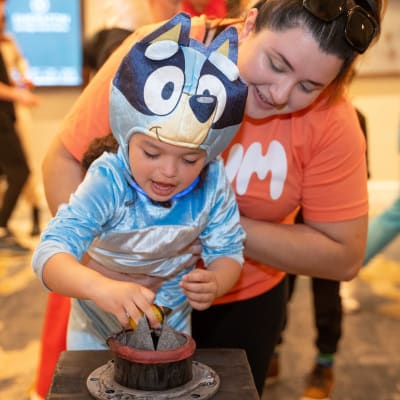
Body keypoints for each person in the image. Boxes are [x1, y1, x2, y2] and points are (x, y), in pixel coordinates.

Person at [36, 0, 383, 397]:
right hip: (116, 297)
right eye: (277, 63)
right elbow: (64, 160)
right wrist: (100, 266)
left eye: (309, 86)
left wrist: (197, 225)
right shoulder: (159, 56)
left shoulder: (329, 120)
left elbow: (343, 254)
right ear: (250, 22)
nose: (281, 94)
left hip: (242, 302)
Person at [32, 13, 247, 350]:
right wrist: (101, 287)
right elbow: (48, 255)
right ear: (125, 136)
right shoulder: (109, 178)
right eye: (151, 153)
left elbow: (230, 251)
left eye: (190, 159)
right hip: (96, 323)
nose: (168, 172)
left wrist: (217, 280)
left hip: (170, 323)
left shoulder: (212, 181)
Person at [0, 0, 38, 254]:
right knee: (20, 172)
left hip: (7, 118)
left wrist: (21, 86)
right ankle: (2, 228)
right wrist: (19, 95)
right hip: (2, 122)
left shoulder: (7, 44)